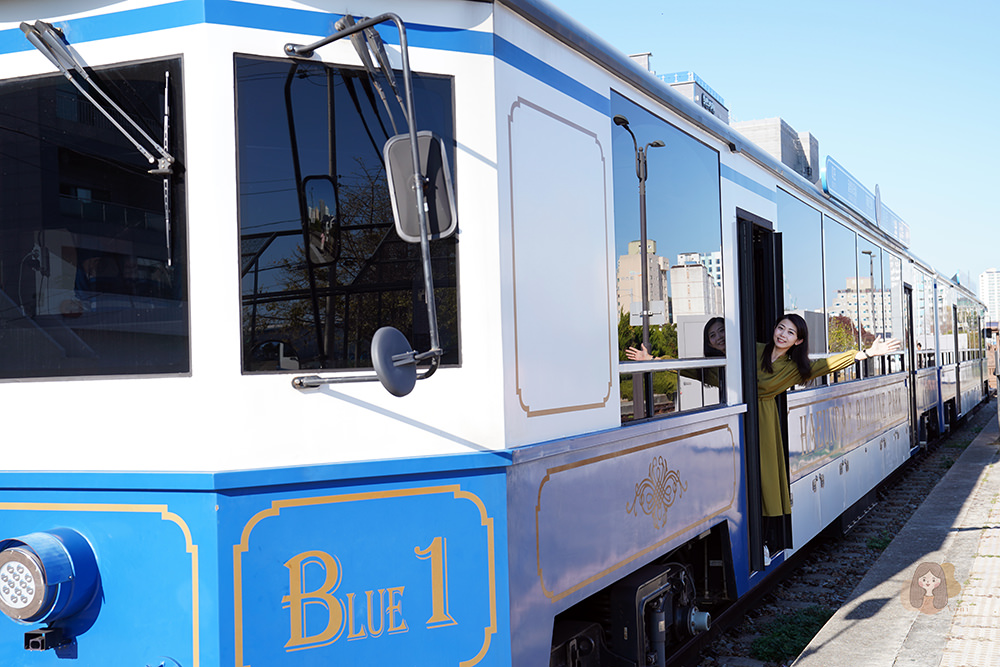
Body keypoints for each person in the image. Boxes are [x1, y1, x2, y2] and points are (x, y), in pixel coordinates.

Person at [757, 313, 900, 558]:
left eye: (790, 332)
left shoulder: (795, 368)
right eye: (780, 328)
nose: (783, 335)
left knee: (767, 481)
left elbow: (828, 364)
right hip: (744, 416)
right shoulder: (755, 350)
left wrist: (866, 353)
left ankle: (763, 541)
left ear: (798, 341)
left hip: (764, 423)